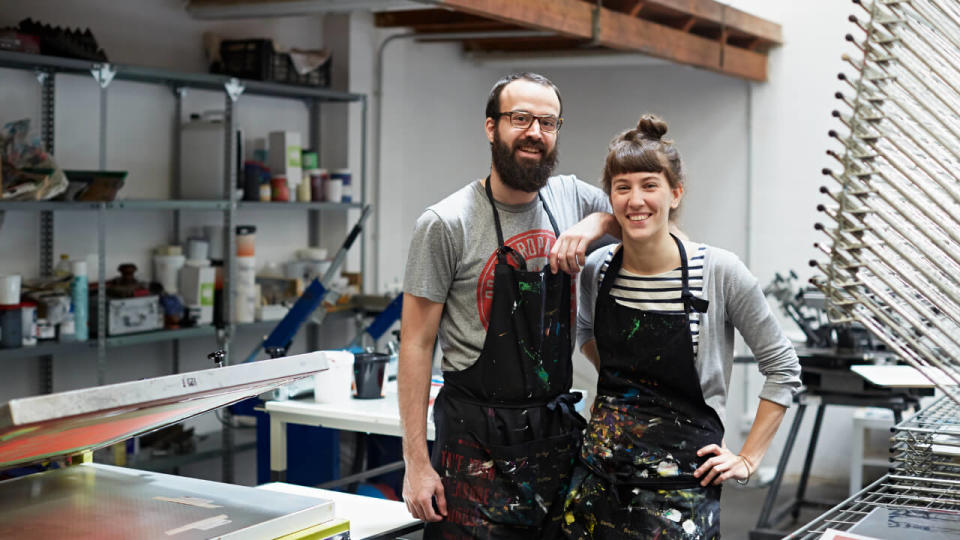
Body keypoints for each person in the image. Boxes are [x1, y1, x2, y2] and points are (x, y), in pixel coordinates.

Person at [398, 72, 620, 539]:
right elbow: (416, 344)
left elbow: (640, 219)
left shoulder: (571, 197)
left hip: (552, 435)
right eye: (520, 118)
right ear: (490, 127)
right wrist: (416, 465)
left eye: (548, 122)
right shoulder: (446, 223)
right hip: (474, 441)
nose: (535, 132)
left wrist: (596, 222)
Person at [563, 114, 801, 539]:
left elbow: (783, 369)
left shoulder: (719, 272)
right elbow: (585, 330)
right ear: (611, 198)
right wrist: (631, 398)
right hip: (599, 478)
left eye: (649, 185)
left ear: (675, 193)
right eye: (623, 187)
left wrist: (747, 460)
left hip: (680, 490)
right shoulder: (598, 270)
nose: (636, 200)